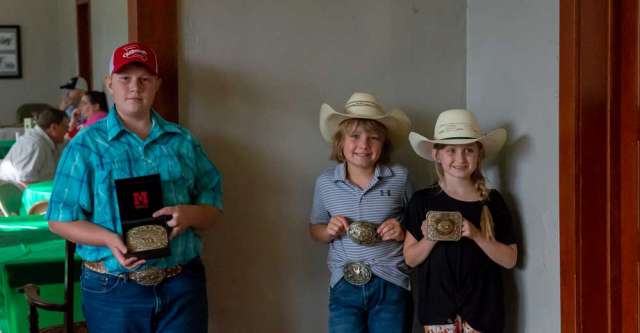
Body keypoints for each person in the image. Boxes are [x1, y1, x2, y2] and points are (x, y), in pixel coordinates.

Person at [46, 42, 223, 333]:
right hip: (112, 289)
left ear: (157, 85)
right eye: (125, 78)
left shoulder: (183, 142)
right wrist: (108, 239)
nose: (134, 87)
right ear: (109, 84)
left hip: (181, 285)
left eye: (144, 79)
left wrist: (189, 215)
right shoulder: (85, 146)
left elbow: (213, 207)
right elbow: (58, 219)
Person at [403, 109, 518, 333]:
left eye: (468, 150)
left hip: (484, 313)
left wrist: (477, 235)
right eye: (451, 151)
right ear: (437, 155)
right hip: (437, 313)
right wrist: (429, 238)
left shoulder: (493, 201)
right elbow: (410, 259)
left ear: (479, 154)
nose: (460, 159)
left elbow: (510, 259)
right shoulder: (422, 201)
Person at [309, 92, 413, 333]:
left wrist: (403, 231)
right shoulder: (326, 182)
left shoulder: (400, 177)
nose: (364, 145)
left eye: (373, 138)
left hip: (391, 281)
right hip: (344, 284)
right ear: (340, 143)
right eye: (354, 136)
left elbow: (418, 228)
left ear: (383, 144)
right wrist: (328, 231)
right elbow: (315, 228)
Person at [0, 106, 68, 187]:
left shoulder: (49, 140)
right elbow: (26, 182)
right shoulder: (36, 144)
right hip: (14, 194)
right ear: (53, 127)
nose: (67, 130)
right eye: (65, 127)